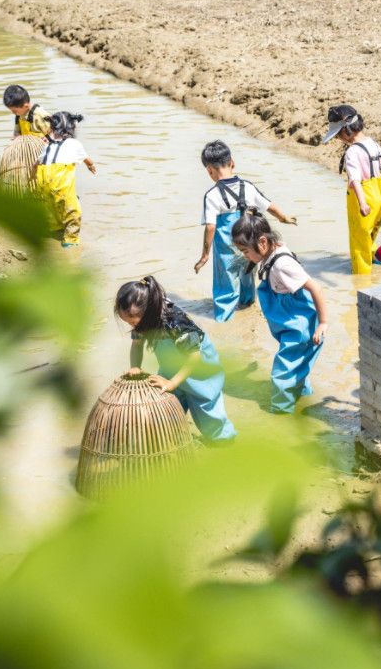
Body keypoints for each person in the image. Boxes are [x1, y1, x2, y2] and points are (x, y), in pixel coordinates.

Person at [115, 276, 236, 443]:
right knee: (168, 406)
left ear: (148, 311)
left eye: (133, 322)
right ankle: (173, 437)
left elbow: (194, 356)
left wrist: (172, 383)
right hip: (171, 367)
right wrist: (135, 366)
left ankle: (223, 440)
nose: (132, 326)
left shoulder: (175, 321)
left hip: (199, 369)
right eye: (128, 322)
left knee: (206, 408)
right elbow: (136, 344)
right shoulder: (142, 321)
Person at [231, 209, 327, 414]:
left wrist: (323, 323)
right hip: (288, 321)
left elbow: (316, 288)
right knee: (295, 366)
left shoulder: (283, 265)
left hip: (299, 325)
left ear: (263, 243)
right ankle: (303, 398)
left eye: (246, 251)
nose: (245, 256)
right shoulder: (271, 251)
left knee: (282, 372)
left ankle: (280, 412)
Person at [194, 140, 297, 322]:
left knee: (225, 289)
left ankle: (224, 321)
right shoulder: (247, 187)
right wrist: (284, 218)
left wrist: (204, 255)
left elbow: (211, 226)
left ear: (209, 170)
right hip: (249, 247)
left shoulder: (212, 195)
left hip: (226, 252)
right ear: (232, 162)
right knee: (247, 281)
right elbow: (269, 206)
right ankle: (248, 311)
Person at [322, 104, 381, 274]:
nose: (338, 139)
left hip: (363, 196)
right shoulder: (371, 142)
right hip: (379, 194)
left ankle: (362, 275)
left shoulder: (352, 152)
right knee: (371, 232)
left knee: (359, 240)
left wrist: (362, 203)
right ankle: (373, 260)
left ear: (346, 131)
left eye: (337, 135)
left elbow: (355, 180)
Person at [35, 111, 96, 247]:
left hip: (42, 180)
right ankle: (70, 241)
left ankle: (54, 230)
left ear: (52, 128)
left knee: (51, 207)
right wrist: (90, 165)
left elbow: (36, 164)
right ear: (72, 128)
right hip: (60, 180)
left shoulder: (47, 145)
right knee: (72, 210)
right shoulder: (74, 144)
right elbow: (86, 159)